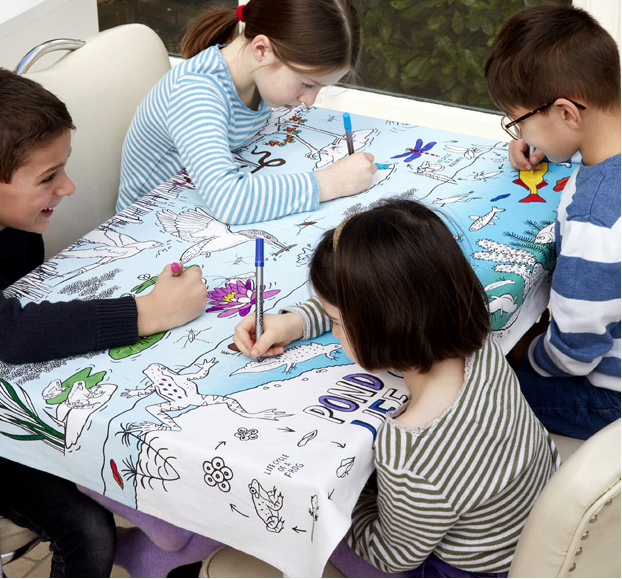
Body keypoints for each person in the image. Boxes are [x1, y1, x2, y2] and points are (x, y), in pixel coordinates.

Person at [0, 66, 208, 577]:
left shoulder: (14, 218)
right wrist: (149, 311)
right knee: (87, 530)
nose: (68, 187)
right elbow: (7, 331)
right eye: (49, 177)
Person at [234, 199, 560, 577]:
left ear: (381, 326)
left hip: (468, 569)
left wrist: (344, 504)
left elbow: (391, 556)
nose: (334, 330)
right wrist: (294, 322)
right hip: (531, 519)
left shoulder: (410, 449)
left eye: (336, 321)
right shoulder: (477, 340)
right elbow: (380, 296)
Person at [117, 0, 377, 224]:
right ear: (261, 49)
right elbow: (229, 201)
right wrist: (331, 182)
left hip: (192, 203)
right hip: (146, 223)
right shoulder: (195, 94)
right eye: (306, 84)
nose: (309, 101)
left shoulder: (256, 80)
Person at [484, 2, 621, 439]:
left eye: (519, 121)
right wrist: (550, 142)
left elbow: (575, 354)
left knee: (477, 392)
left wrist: (525, 353)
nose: (520, 134)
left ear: (567, 114)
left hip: (608, 398)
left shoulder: (593, 220)